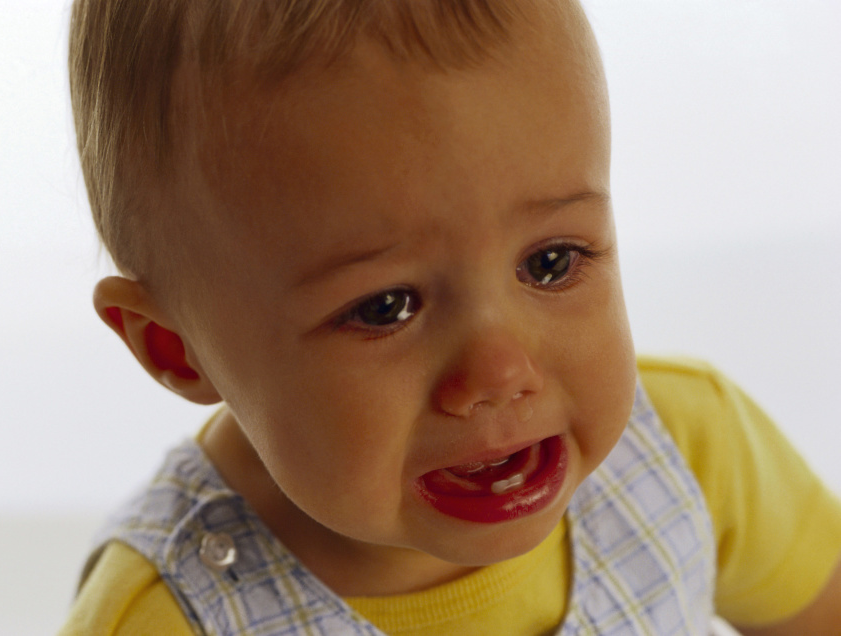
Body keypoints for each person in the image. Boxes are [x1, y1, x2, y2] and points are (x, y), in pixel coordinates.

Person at [59, 1, 841, 634]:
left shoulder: (692, 457)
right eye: (385, 307)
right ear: (177, 346)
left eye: (551, 262)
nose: (500, 373)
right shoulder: (166, 618)